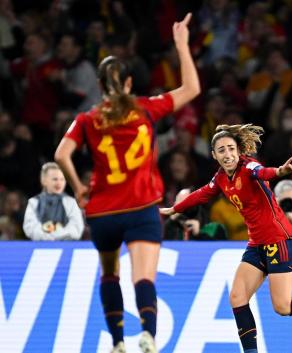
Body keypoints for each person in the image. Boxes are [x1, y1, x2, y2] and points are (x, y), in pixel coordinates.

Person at [54, 13, 200, 353]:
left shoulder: (87, 119)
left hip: (103, 213)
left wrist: (77, 187)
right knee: (143, 277)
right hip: (141, 208)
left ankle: (118, 341)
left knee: (109, 275)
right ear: (130, 84)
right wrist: (180, 44)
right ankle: (147, 334)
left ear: (101, 87)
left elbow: (61, 154)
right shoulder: (145, 109)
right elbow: (192, 89)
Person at [160, 123, 292, 353]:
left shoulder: (248, 166)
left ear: (239, 150)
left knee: (284, 307)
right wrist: (174, 209)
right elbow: (202, 193)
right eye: (222, 150)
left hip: (278, 240)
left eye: (231, 148)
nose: (227, 154)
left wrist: (280, 171)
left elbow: (264, 172)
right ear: (214, 155)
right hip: (257, 243)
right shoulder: (221, 177)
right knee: (237, 297)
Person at [23, 162, 84, 241]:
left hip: (66, 247)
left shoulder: (71, 202)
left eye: (62, 179)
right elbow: (30, 228)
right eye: (55, 179)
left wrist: (54, 236)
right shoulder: (33, 202)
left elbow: (76, 229)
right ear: (44, 181)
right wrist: (50, 238)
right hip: (40, 247)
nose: (59, 183)